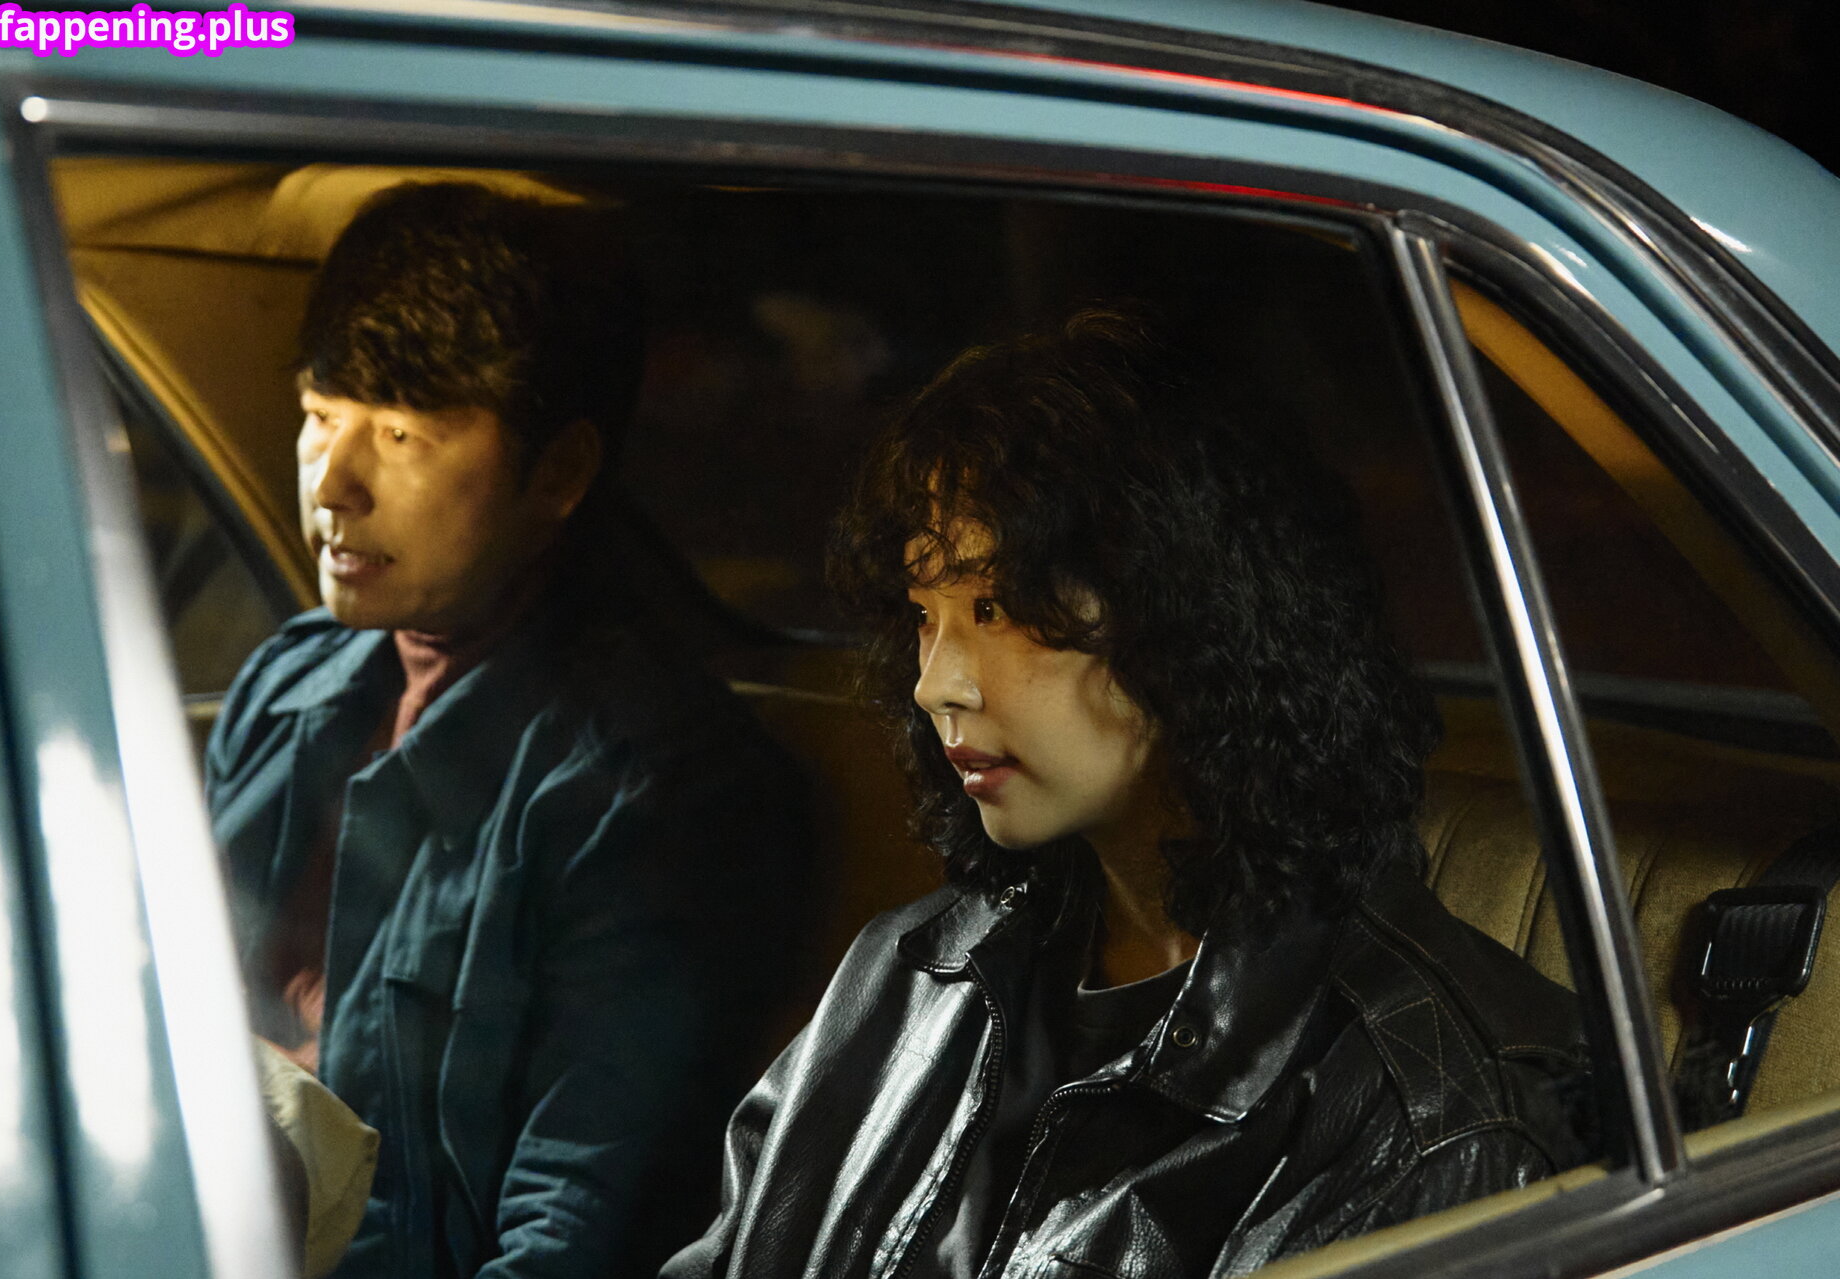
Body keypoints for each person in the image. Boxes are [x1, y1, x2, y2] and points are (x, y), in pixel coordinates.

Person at [663, 308, 1594, 1279]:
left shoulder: (1436, 1122)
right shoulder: (912, 972)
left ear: (1190, 609)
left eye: (994, 607)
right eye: (924, 615)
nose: (936, 683)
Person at [204, 181, 810, 1279]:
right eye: (319, 416)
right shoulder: (285, 686)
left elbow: (573, 1223)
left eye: (402, 434)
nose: (334, 484)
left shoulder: (649, 787)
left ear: (559, 473)